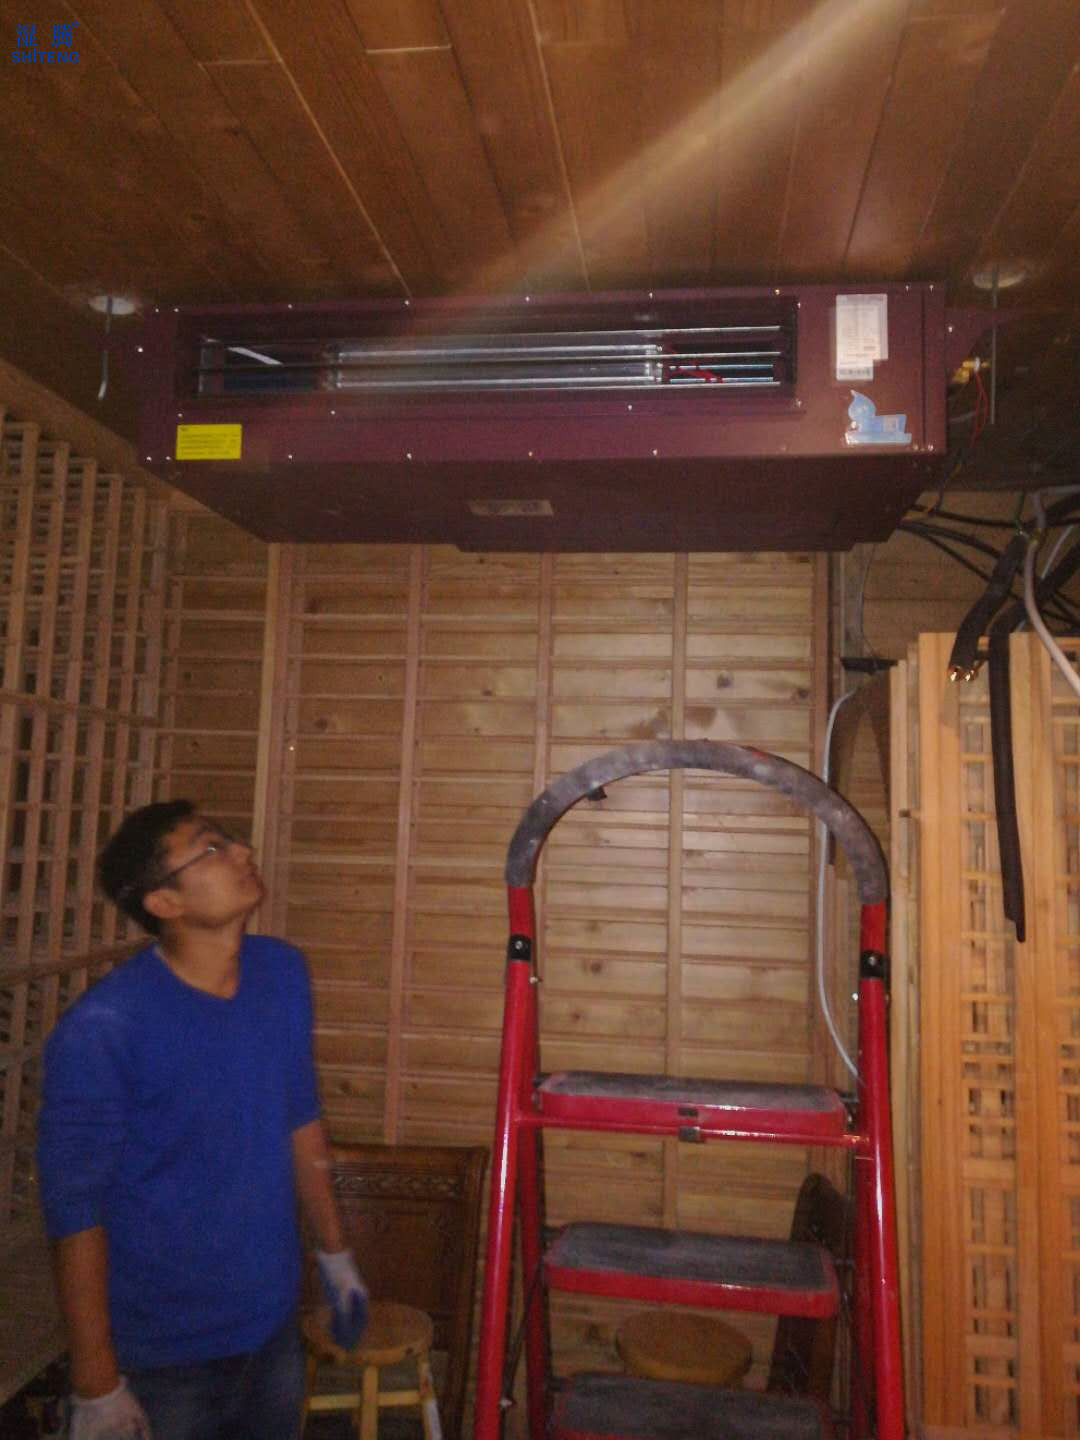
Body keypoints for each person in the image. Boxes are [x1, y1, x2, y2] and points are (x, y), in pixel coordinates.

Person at [37, 800, 368, 1440]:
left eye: (230, 841)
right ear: (165, 902)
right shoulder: (104, 1028)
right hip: (163, 1354)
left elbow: (300, 1118)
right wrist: (96, 1379)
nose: (242, 852)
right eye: (211, 848)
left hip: (271, 1327)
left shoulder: (281, 972)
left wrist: (336, 1257)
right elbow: (75, 1207)